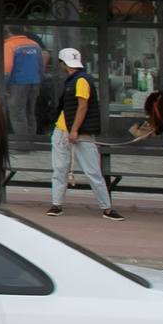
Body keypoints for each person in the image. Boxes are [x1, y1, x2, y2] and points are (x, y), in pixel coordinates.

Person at [46, 46, 119, 218]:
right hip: (72, 131)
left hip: (70, 131)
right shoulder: (80, 79)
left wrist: (74, 131)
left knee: (66, 170)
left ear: (63, 64)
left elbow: (82, 107)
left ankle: (58, 205)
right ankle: (106, 208)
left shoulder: (79, 81)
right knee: (87, 171)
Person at [2, 24, 44, 145]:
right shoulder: (35, 45)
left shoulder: (9, 45)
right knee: (30, 113)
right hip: (34, 82)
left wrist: (4, 86)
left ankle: (22, 145)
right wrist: (39, 83)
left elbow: (7, 68)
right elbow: (41, 66)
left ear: (9, 31)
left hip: (17, 84)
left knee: (18, 114)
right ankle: (31, 142)